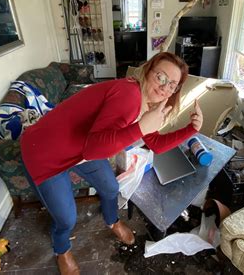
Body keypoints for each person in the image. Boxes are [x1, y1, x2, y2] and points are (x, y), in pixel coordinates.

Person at [20, 52, 203, 275]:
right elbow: (94, 149)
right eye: (161, 77)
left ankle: (112, 221)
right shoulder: (129, 95)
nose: (165, 87)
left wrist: (191, 130)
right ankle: (62, 249)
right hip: (44, 152)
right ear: (148, 70)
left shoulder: (146, 104)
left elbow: (154, 143)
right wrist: (140, 128)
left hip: (78, 149)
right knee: (66, 219)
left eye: (172, 85)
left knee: (110, 187)